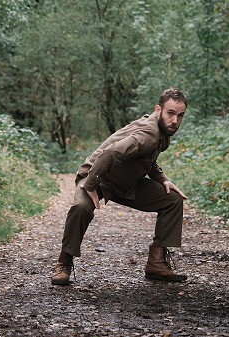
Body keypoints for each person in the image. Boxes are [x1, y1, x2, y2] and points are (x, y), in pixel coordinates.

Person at [51, 87, 189, 286]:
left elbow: (147, 158)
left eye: (180, 115)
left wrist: (162, 179)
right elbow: (110, 153)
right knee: (81, 208)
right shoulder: (149, 133)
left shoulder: (161, 130)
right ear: (158, 110)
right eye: (171, 113)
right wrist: (90, 185)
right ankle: (64, 262)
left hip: (126, 183)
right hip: (98, 177)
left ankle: (156, 264)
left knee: (172, 200)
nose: (175, 121)